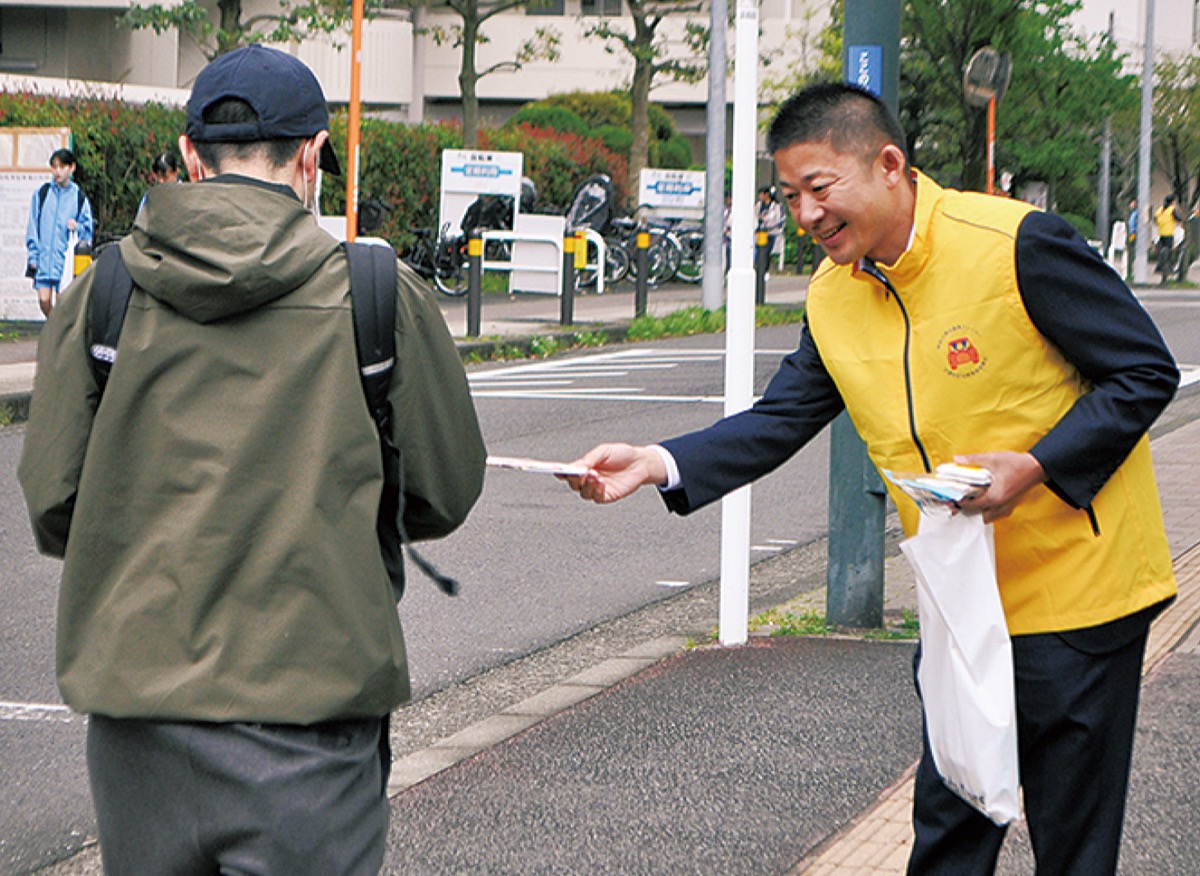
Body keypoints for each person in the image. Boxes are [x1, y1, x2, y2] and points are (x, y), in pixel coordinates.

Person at [564, 82, 1179, 876]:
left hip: (1079, 595)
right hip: (959, 601)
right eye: (789, 196)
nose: (806, 214)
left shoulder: (1014, 244)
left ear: (889, 165)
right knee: (951, 827)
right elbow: (778, 418)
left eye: (820, 189)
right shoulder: (832, 295)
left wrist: (1035, 468)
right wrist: (657, 462)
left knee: (1071, 844)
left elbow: (1141, 372)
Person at [18, 44, 486, 875]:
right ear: (312, 157)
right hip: (313, 718)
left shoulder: (108, 291)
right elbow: (443, 493)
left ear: (192, 156)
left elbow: (57, 502)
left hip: (139, 724)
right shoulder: (375, 291)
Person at [25, 147, 94, 318]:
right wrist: (33, 256)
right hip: (44, 259)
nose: (58, 172)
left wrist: (77, 226)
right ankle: (55, 330)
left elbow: (88, 230)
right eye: (54, 167)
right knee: (44, 301)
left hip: (65, 262)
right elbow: (33, 225)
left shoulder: (79, 197)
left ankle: (57, 337)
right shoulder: (42, 194)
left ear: (72, 168)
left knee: (62, 304)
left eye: (62, 167)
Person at [1154, 193, 1184, 283]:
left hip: (1161, 234)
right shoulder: (1172, 210)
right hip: (1168, 234)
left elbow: (1155, 219)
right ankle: (1169, 269)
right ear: (1172, 202)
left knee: (1162, 252)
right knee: (1168, 253)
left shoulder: (1159, 210)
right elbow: (1178, 218)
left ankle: (1161, 269)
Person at [756, 185, 786, 270]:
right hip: (759, 233)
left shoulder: (777, 206)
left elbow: (777, 220)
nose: (760, 196)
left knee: (766, 249)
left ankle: (764, 268)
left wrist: (765, 220)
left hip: (772, 232)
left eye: (762, 194)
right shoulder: (758, 205)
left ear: (767, 194)